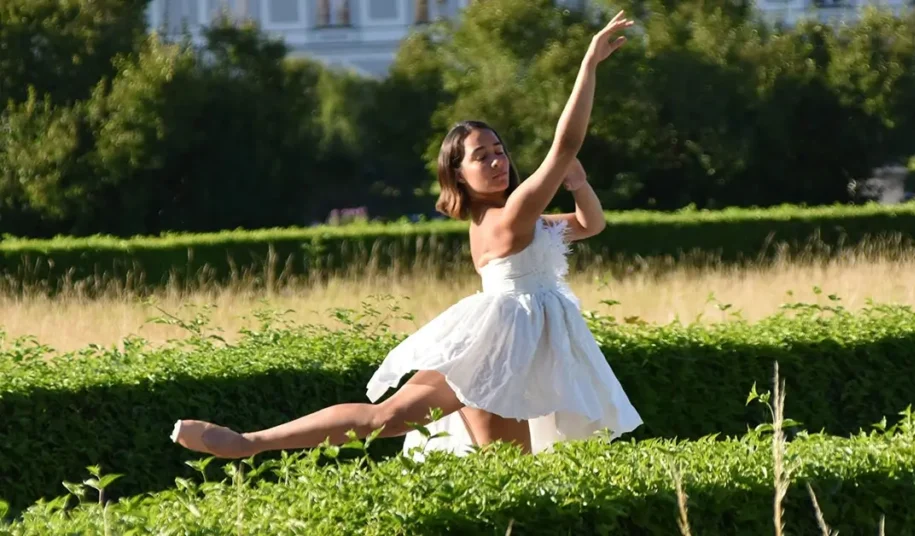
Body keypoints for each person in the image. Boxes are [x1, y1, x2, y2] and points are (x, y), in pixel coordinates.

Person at [170, 10, 642, 459]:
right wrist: (588, 64)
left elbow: (589, 225)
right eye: (482, 157)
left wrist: (579, 184)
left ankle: (250, 442)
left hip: (500, 342)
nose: (498, 161)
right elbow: (566, 143)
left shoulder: (515, 219)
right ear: (458, 175)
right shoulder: (511, 217)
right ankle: (249, 442)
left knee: (398, 421)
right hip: (502, 349)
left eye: (498, 150)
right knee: (466, 450)